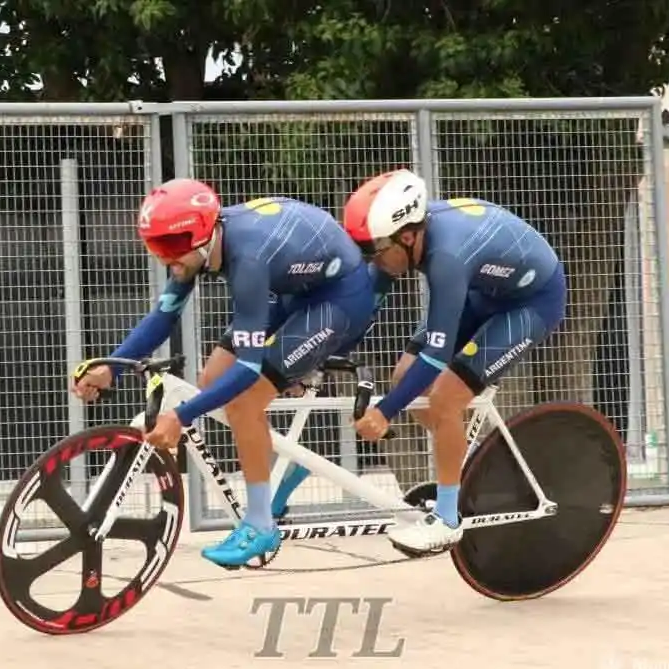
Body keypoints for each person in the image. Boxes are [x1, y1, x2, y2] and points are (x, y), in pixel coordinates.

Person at [72, 179, 382, 568]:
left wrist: (181, 416)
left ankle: (259, 524)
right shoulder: (200, 247)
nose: (166, 259)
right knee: (211, 383)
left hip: (340, 298)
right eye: (155, 247)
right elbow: (163, 317)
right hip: (294, 288)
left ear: (201, 235)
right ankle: (289, 464)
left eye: (170, 247)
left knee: (244, 401)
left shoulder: (246, 260)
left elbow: (249, 369)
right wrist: (110, 367)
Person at [342, 169, 567, 556]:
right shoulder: (411, 241)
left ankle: (447, 519)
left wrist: (385, 411)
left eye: (376, 249)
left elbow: (436, 357)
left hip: (532, 302)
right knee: (404, 376)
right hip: (487, 292)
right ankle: (482, 463)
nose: (373, 260)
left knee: (445, 397)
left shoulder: (446, 256)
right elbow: (367, 299)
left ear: (408, 236)